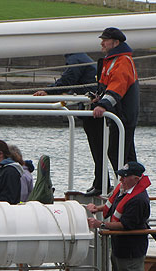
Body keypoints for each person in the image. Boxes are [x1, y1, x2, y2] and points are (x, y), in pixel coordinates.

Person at [33, 53, 104, 196]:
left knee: (98, 148)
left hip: (93, 109)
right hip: (91, 105)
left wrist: (49, 90)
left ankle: (101, 184)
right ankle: (101, 183)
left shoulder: (75, 58)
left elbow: (69, 79)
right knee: (99, 148)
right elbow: (76, 82)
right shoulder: (81, 57)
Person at [92, 27, 140, 193]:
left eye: (105, 40)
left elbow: (118, 88)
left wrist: (102, 105)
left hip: (123, 117)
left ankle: (129, 189)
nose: (102, 43)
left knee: (117, 153)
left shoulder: (122, 61)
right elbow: (109, 87)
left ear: (116, 42)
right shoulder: (113, 60)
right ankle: (133, 189)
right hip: (119, 116)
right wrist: (99, 98)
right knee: (127, 156)